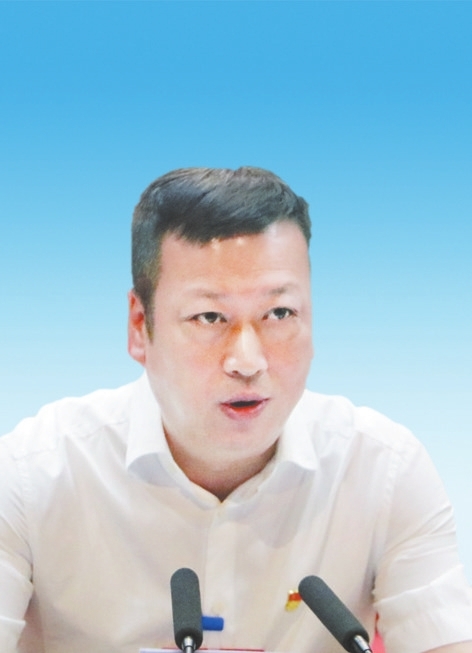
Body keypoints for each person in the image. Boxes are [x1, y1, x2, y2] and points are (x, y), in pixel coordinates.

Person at [0, 166, 471, 653]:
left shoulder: (383, 471)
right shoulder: (32, 477)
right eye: (210, 317)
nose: (248, 361)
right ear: (140, 326)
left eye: (279, 313)